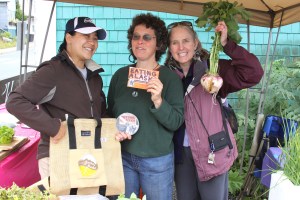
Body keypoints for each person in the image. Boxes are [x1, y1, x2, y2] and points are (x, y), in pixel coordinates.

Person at [165, 21, 264, 200]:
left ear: (195, 43)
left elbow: (253, 73)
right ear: (169, 47)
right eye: (175, 42)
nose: (181, 47)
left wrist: (226, 44)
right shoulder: (165, 75)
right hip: (181, 155)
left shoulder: (214, 68)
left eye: (186, 41)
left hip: (212, 152)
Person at [6, 16, 107, 179]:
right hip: (58, 154)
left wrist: (115, 128)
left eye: (95, 38)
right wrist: (52, 127)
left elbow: (100, 113)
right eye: (86, 36)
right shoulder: (53, 70)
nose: (92, 42)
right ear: (69, 37)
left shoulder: (95, 76)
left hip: (88, 157)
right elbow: (15, 101)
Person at [107, 13, 184, 200]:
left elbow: (176, 122)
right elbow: (110, 114)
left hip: (157, 161)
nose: (140, 42)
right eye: (136, 36)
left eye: (147, 37)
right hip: (123, 157)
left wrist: (158, 100)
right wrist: (113, 131)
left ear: (158, 44)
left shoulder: (170, 79)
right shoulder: (120, 75)